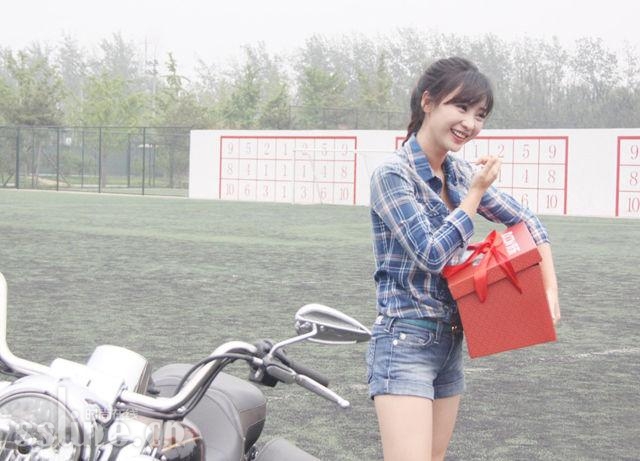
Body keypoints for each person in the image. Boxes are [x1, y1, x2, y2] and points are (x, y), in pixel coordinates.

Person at [365, 56, 561, 461]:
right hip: (405, 341)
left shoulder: (457, 171)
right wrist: (474, 194)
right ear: (428, 102)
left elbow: (529, 223)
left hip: (450, 342)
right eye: (461, 107)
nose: (470, 123)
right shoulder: (393, 175)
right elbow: (431, 254)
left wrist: (549, 293)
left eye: (480, 114)